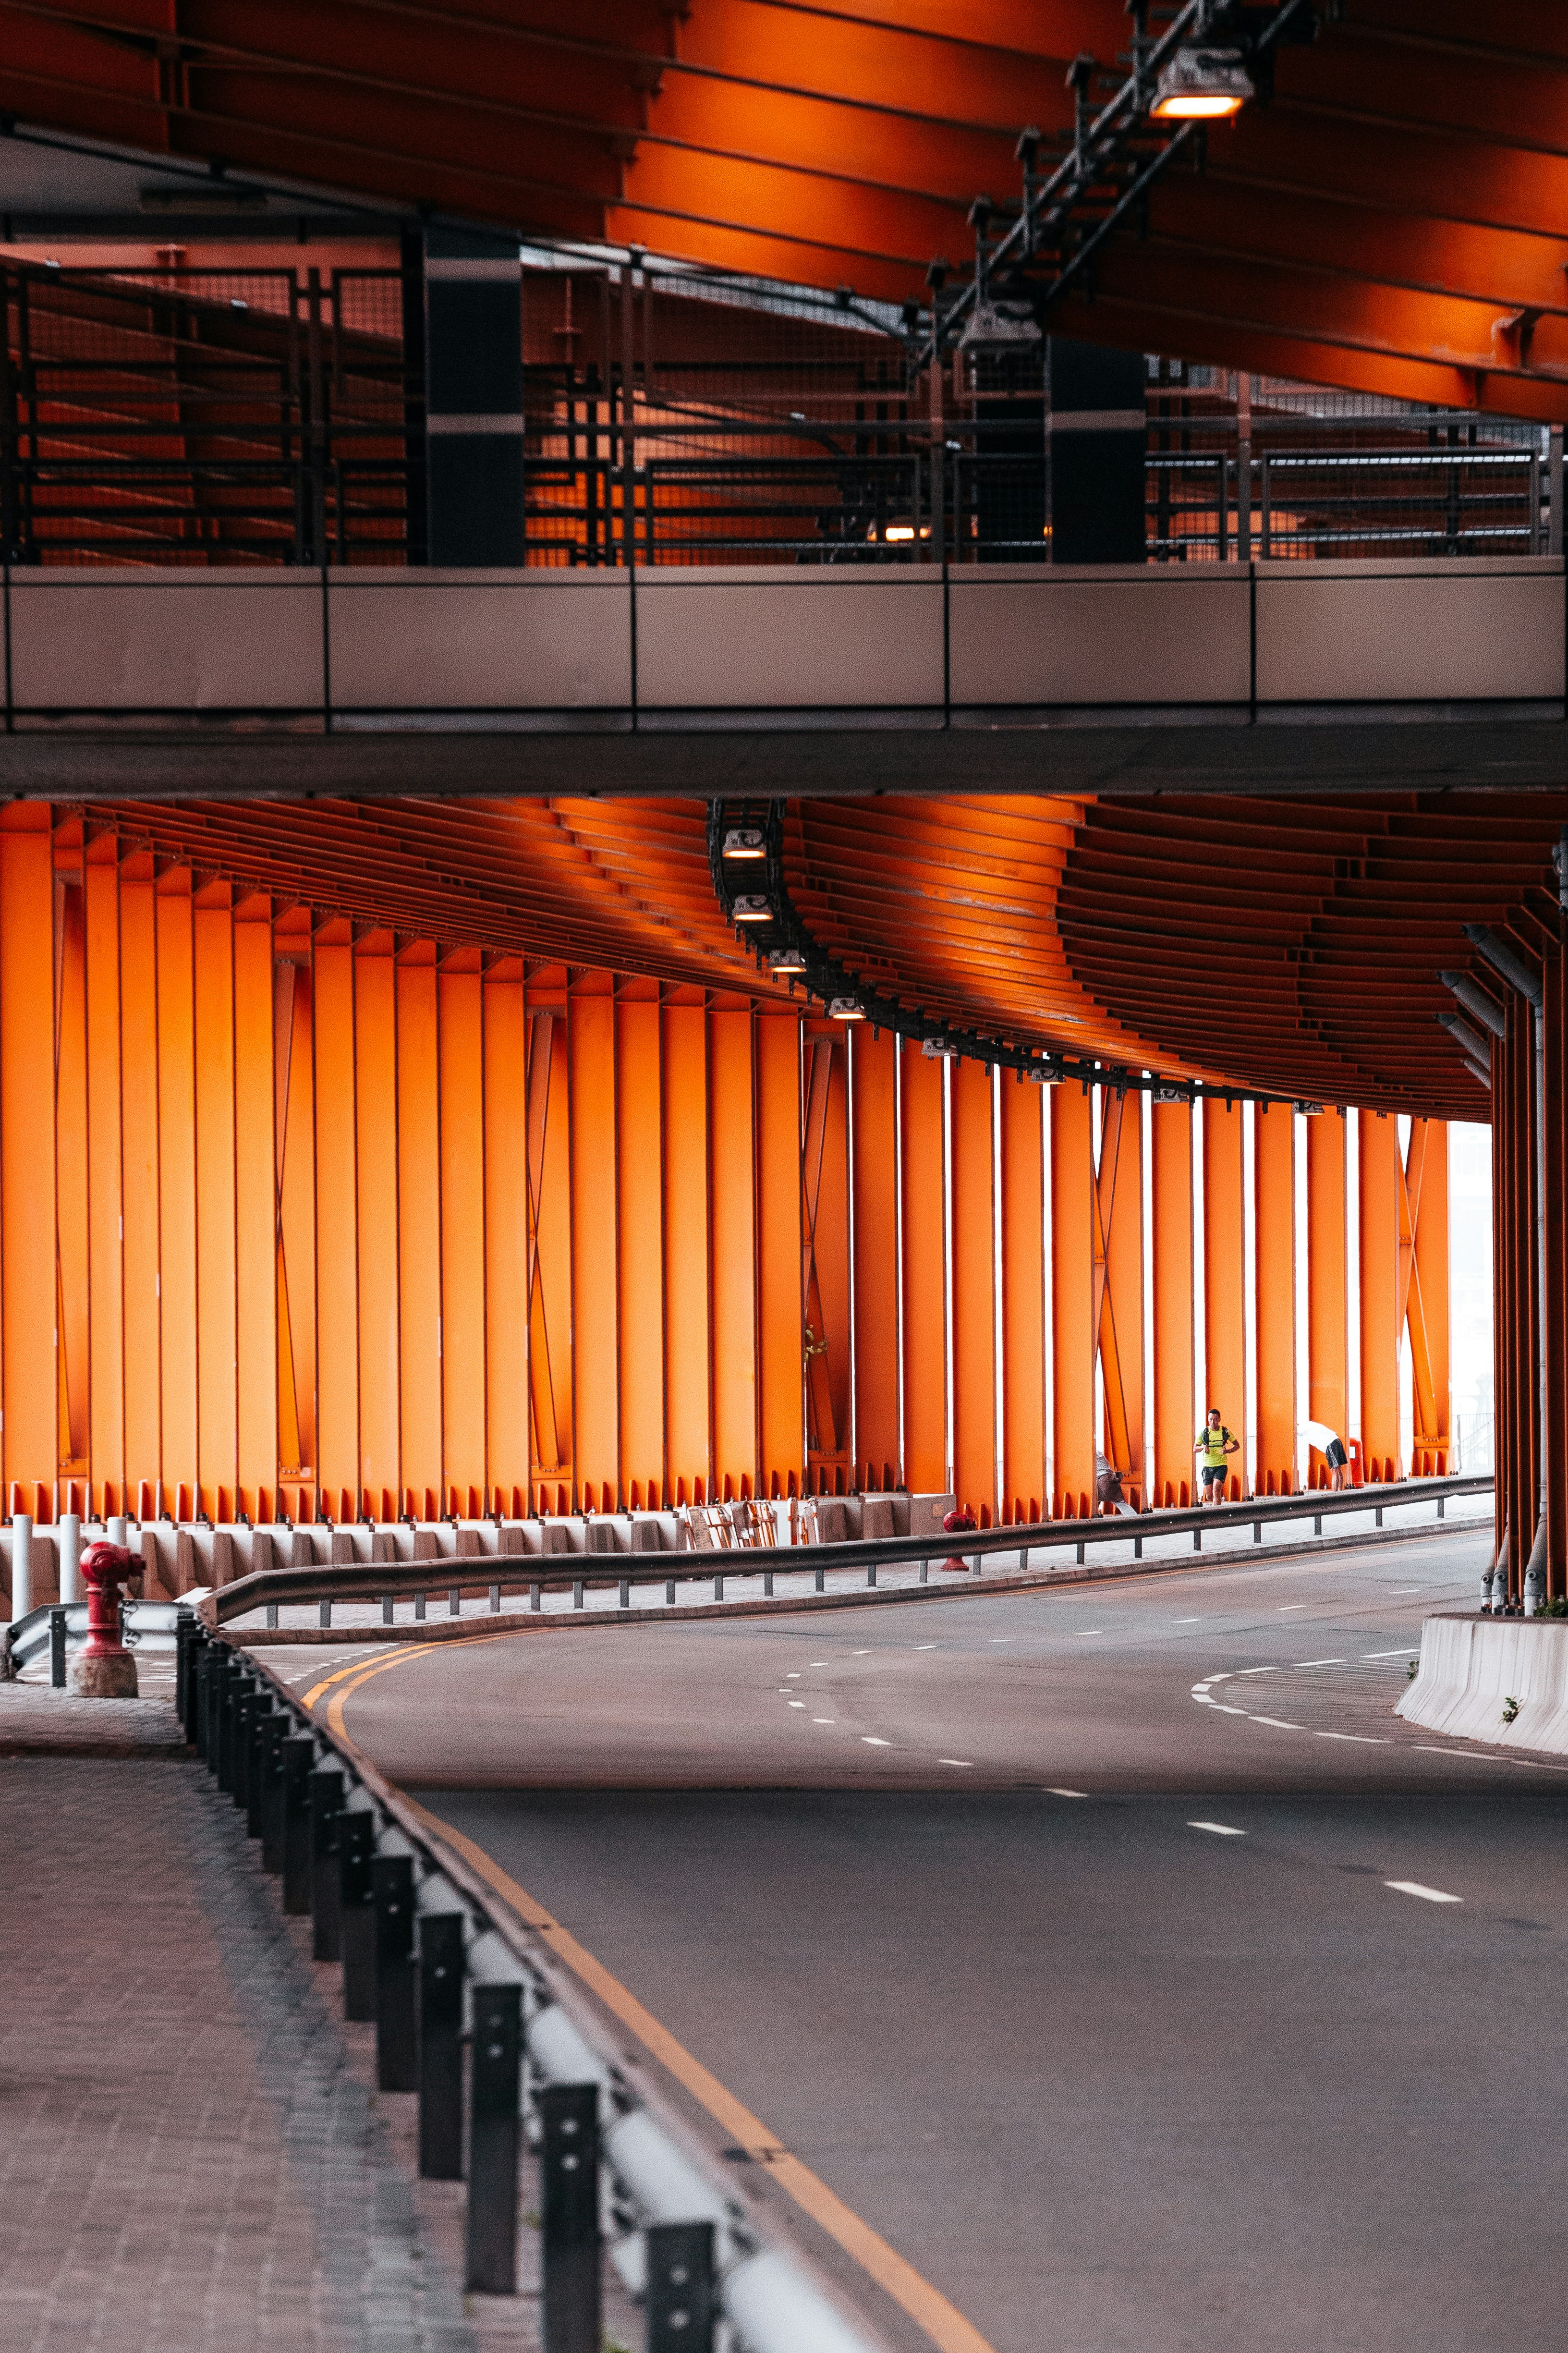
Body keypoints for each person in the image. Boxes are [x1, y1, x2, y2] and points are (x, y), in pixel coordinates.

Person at [1194, 1408, 1239, 1504]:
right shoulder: (1204, 1433)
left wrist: (1227, 1451)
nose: (1212, 1422)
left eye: (1215, 1419)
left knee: (1216, 1492)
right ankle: (1215, 1508)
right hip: (1208, 1467)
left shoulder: (1225, 1432)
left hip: (1221, 1466)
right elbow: (1195, 1449)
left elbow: (1237, 1445)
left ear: (1219, 1420)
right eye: (1210, 1419)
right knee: (1209, 1496)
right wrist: (1203, 1447)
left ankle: (1216, 1516)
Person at [1302, 1419, 1349, 1491]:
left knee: (1334, 1469)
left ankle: (1335, 1493)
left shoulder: (1303, 1427)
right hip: (1336, 1441)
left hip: (1331, 1444)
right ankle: (1340, 1491)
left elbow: (1294, 1430)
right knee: (1338, 1468)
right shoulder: (1312, 1425)